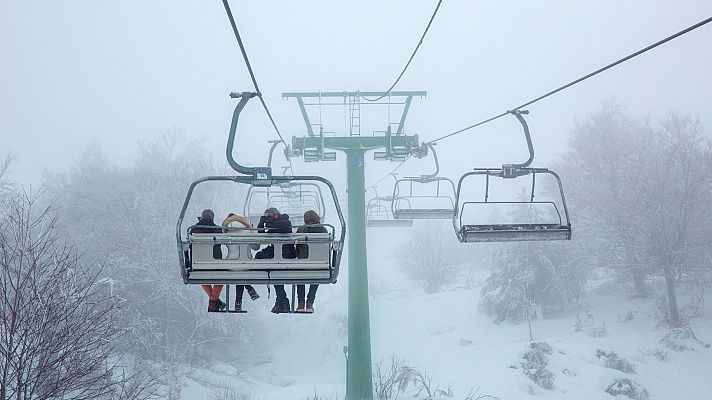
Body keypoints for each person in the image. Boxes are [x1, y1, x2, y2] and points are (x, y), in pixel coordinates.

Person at [254, 207, 296, 313]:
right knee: (259, 257)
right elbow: (261, 235)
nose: (268, 219)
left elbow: (285, 224)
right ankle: (282, 302)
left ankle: (283, 302)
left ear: (276, 215)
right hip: (275, 251)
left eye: (269, 216)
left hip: (286, 253)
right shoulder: (273, 224)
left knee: (275, 275)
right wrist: (261, 223)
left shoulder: (285, 220)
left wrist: (268, 223)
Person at [221, 213, 260, 311]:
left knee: (238, 274)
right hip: (247, 265)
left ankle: (240, 300)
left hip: (231, 265)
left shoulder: (227, 233)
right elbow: (256, 247)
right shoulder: (249, 232)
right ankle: (245, 293)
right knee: (242, 273)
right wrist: (252, 231)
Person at [190, 209, 226, 312]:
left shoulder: (193, 229)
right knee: (221, 278)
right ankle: (214, 302)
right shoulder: (217, 229)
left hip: (198, 263)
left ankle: (215, 303)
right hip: (215, 262)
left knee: (202, 276)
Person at [295, 210, 327, 313]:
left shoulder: (301, 229)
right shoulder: (323, 230)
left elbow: (297, 244)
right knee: (315, 280)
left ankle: (300, 304)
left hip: (303, 263)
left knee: (300, 280)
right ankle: (310, 303)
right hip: (318, 263)